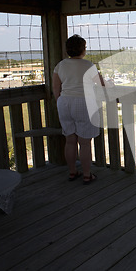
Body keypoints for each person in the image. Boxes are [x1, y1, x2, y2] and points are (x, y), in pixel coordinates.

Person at [53, 34, 103, 184]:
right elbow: (101, 84)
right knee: (85, 143)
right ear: (83, 49)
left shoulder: (60, 65)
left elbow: (56, 88)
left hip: (64, 102)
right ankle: (87, 175)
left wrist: (60, 102)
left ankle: (72, 172)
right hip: (84, 103)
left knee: (70, 140)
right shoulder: (88, 65)